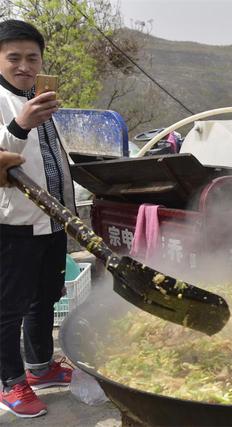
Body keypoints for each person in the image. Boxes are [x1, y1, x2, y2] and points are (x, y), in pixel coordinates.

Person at [0, 20, 74, 418]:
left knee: (44, 298)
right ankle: (10, 383)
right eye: (14, 58)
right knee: (9, 308)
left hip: (52, 220)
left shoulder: (39, 96)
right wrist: (20, 123)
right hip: (13, 225)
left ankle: (41, 368)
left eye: (33, 57)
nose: (25, 65)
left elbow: (52, 158)